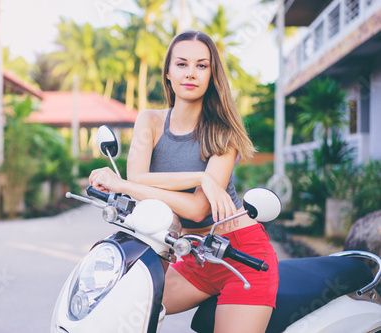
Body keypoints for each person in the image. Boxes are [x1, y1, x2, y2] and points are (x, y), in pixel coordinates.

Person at [88, 30, 278, 333]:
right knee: (114, 307)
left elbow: (196, 209)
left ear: (212, 74)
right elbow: (138, 178)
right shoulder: (149, 120)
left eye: (202, 66)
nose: (191, 73)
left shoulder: (223, 132)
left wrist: (120, 184)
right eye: (182, 64)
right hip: (194, 256)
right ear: (167, 72)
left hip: (241, 257)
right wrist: (201, 176)